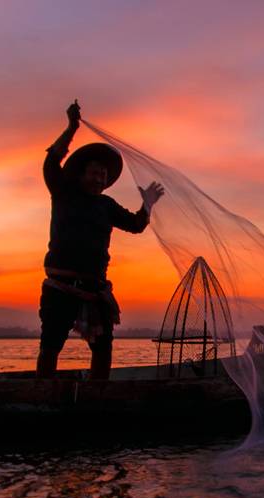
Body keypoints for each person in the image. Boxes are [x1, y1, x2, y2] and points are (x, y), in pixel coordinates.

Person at [37, 100, 164, 380]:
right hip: (61, 287)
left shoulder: (106, 205)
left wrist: (148, 205)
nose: (100, 178)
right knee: (51, 345)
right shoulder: (64, 193)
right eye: (95, 173)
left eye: (104, 175)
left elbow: (135, 225)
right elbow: (50, 162)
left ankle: (98, 396)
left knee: (103, 348)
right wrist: (71, 128)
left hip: (96, 290)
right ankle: (42, 391)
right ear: (82, 175)